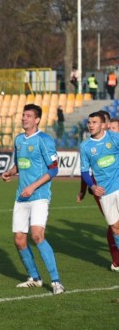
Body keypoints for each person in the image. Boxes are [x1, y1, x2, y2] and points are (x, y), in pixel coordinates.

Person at [1, 104, 64, 295]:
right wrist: (10, 172)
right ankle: (35, 278)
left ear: (37, 120)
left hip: (39, 196)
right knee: (19, 240)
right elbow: (20, 164)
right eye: (23, 115)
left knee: (37, 235)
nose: (24, 118)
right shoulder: (19, 140)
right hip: (21, 197)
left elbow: (53, 169)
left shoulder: (44, 140)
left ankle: (56, 281)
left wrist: (33, 186)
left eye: (28, 116)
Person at [77, 110, 119, 271]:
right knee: (115, 228)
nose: (90, 125)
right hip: (104, 192)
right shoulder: (85, 146)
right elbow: (84, 171)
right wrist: (92, 187)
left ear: (103, 124)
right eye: (89, 122)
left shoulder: (114, 138)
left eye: (94, 122)